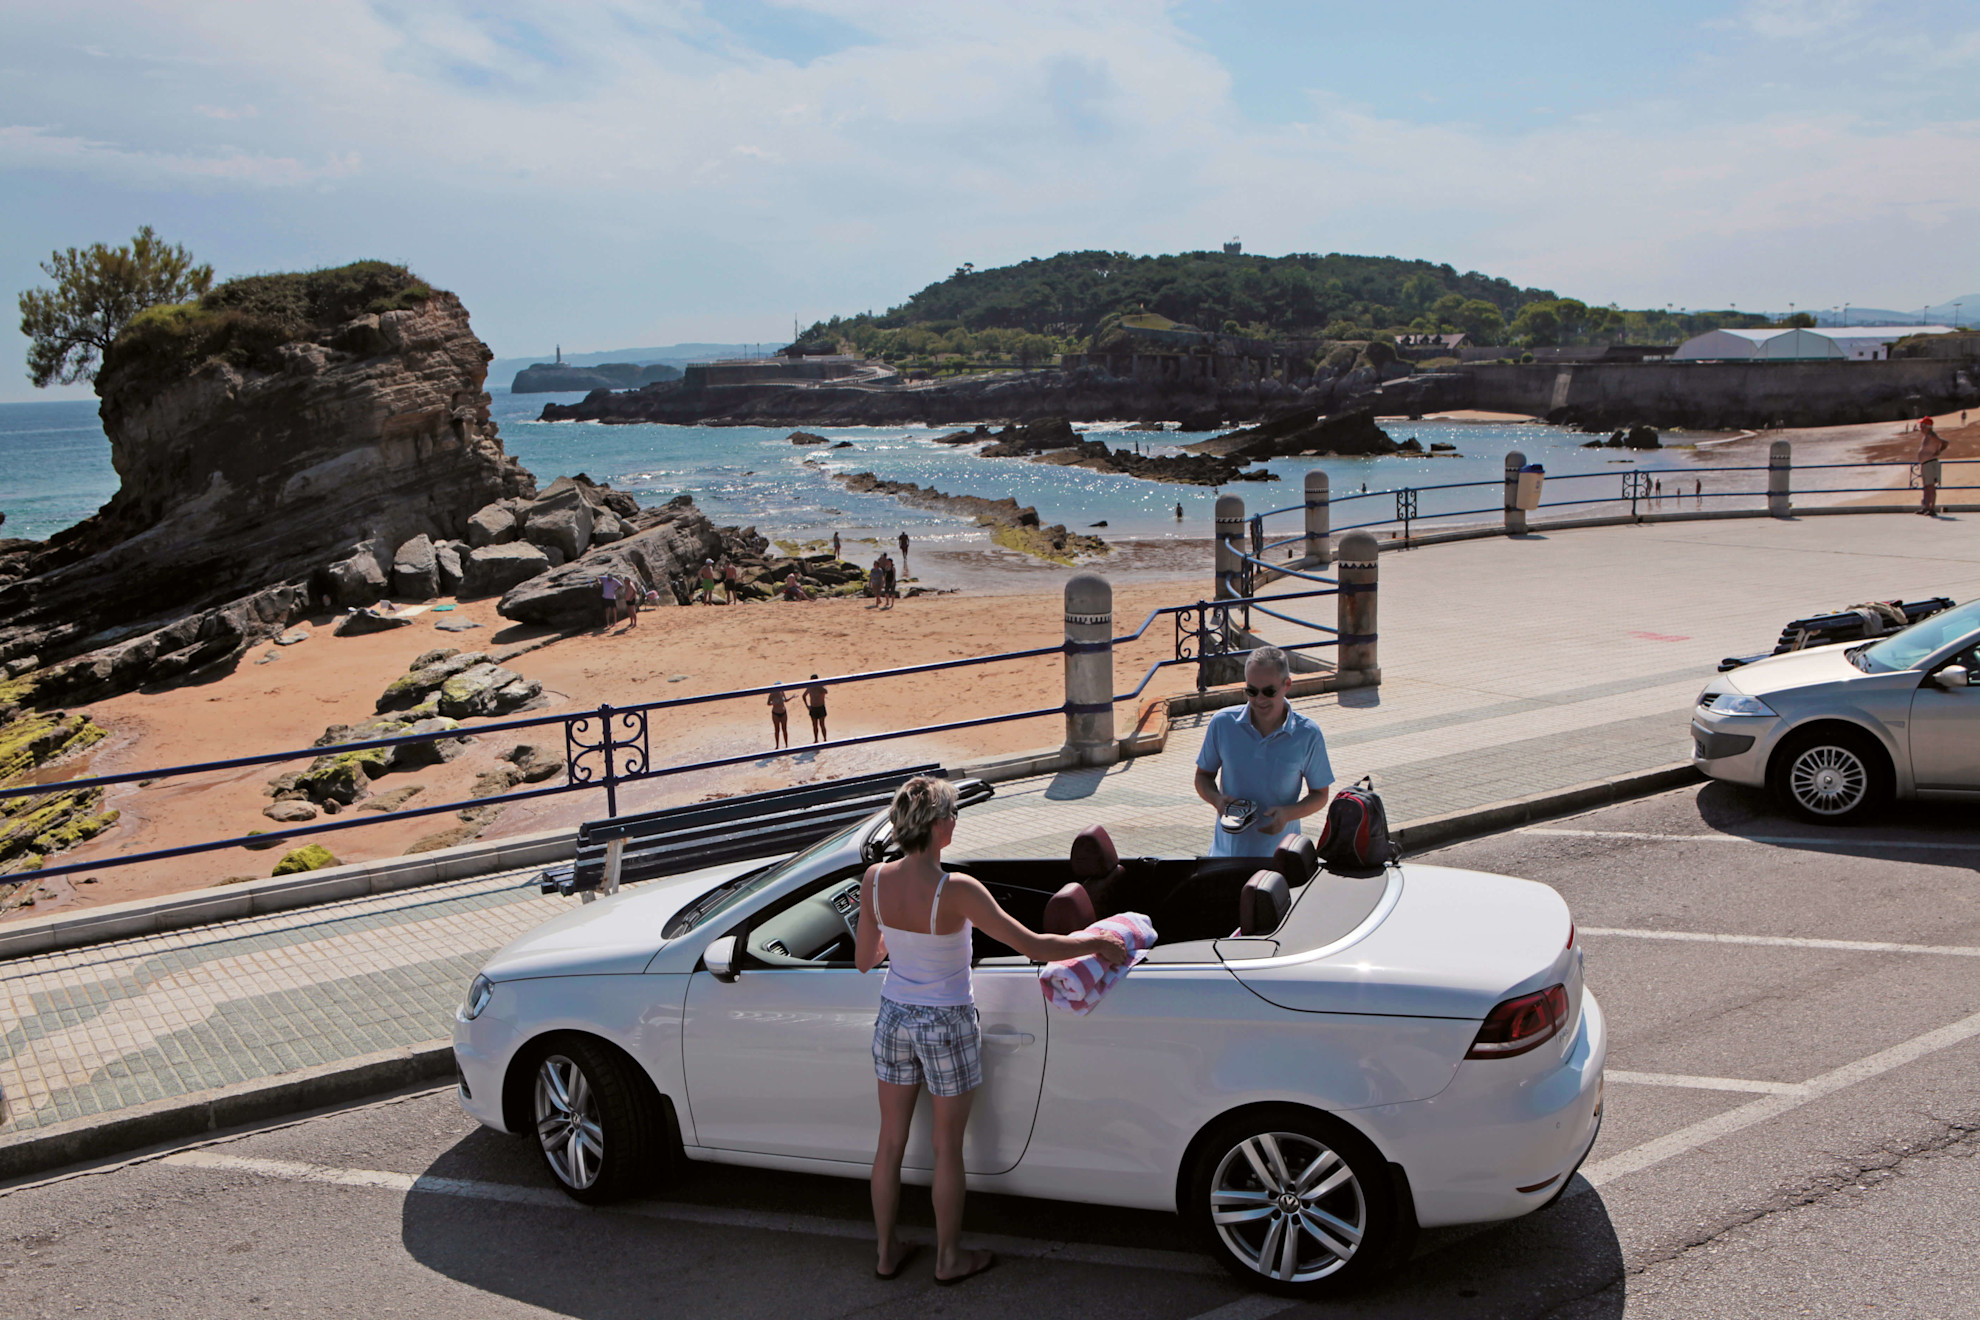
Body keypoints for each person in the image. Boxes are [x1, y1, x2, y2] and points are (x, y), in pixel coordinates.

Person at [857, 776, 1127, 1284]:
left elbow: (864, 962)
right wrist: (1097, 945)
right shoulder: (956, 890)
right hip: (946, 1021)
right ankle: (948, 1258)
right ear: (940, 828)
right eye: (952, 815)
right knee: (946, 1147)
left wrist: (899, 938)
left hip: (894, 1015)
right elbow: (1035, 945)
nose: (955, 822)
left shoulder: (874, 880)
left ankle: (886, 1253)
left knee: (889, 1141)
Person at [1193, 646, 1334, 857]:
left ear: (1287, 685)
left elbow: (1320, 794)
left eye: (1268, 691)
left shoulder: (1307, 734)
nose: (1259, 699)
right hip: (1224, 858)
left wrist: (1287, 814)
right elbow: (1203, 776)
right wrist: (1217, 800)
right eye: (1251, 691)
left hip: (1279, 862)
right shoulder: (1222, 724)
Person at [1918, 416, 1948, 516]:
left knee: (1931, 487)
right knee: (1926, 486)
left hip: (1930, 463)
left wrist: (1939, 451)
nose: (1920, 427)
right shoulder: (1927, 436)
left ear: (1927, 426)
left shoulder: (1931, 435)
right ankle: (1926, 507)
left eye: (1922, 425)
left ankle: (1932, 508)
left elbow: (1945, 442)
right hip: (1925, 464)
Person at [803, 675, 828, 741]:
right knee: (814, 725)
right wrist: (807, 705)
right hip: (813, 708)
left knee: (822, 724)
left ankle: (825, 739)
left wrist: (819, 687)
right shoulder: (810, 687)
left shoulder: (821, 686)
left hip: (820, 707)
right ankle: (816, 739)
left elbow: (826, 691)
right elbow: (804, 696)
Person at [767, 684, 790, 749]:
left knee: (784, 729)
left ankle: (786, 745)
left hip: (783, 712)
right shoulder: (772, 694)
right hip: (775, 713)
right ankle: (777, 745)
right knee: (777, 730)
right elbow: (768, 703)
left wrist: (791, 697)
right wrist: (773, 703)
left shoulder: (782, 692)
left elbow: (785, 700)